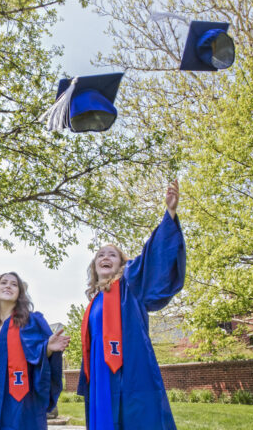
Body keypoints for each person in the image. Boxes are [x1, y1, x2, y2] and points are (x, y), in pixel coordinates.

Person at [78, 180, 186, 430]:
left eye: (112, 254)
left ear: (121, 264)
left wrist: (169, 214)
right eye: (100, 255)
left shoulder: (130, 284)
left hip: (131, 368)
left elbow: (152, 259)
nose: (105, 257)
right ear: (95, 266)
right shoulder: (94, 302)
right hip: (101, 373)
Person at [0, 271, 69, 430]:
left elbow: (38, 353)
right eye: (4, 282)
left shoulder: (31, 321)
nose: (8, 286)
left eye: (14, 284)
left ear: (20, 293)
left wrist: (48, 349)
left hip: (16, 396)